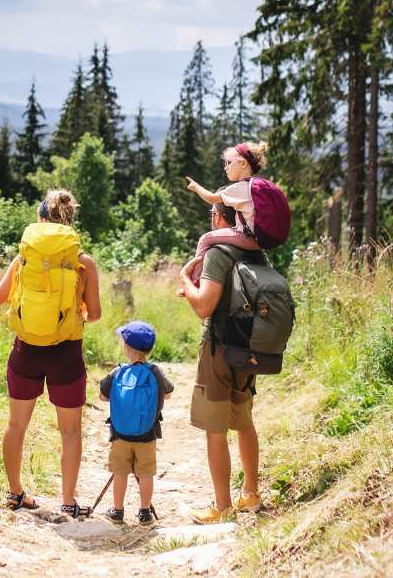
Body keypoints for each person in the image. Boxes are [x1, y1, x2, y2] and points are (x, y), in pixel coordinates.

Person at [0, 189, 102, 517]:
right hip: (66, 355)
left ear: (40, 219)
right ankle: (68, 502)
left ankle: (15, 494)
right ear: (69, 223)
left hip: (26, 352)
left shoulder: (24, 257)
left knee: (16, 424)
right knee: (70, 431)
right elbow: (94, 315)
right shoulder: (83, 262)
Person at [178, 200, 264, 524]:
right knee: (243, 421)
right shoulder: (255, 252)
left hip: (218, 348)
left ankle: (223, 506)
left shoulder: (217, 253)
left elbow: (204, 307)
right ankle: (251, 493)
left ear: (219, 217)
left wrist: (186, 278)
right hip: (249, 348)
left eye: (211, 214)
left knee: (215, 429)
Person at [97, 321, 175, 525]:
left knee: (120, 472)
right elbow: (167, 394)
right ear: (149, 350)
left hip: (120, 435)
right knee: (146, 473)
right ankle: (145, 512)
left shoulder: (117, 372)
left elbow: (102, 397)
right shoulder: (156, 372)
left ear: (126, 348)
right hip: (148, 434)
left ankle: (118, 511)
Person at [183, 141, 270, 284]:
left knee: (205, 239)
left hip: (248, 237)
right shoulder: (258, 186)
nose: (225, 168)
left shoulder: (242, 187)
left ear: (243, 164)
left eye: (229, 163)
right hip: (261, 240)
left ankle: (195, 281)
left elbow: (212, 199)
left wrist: (196, 187)